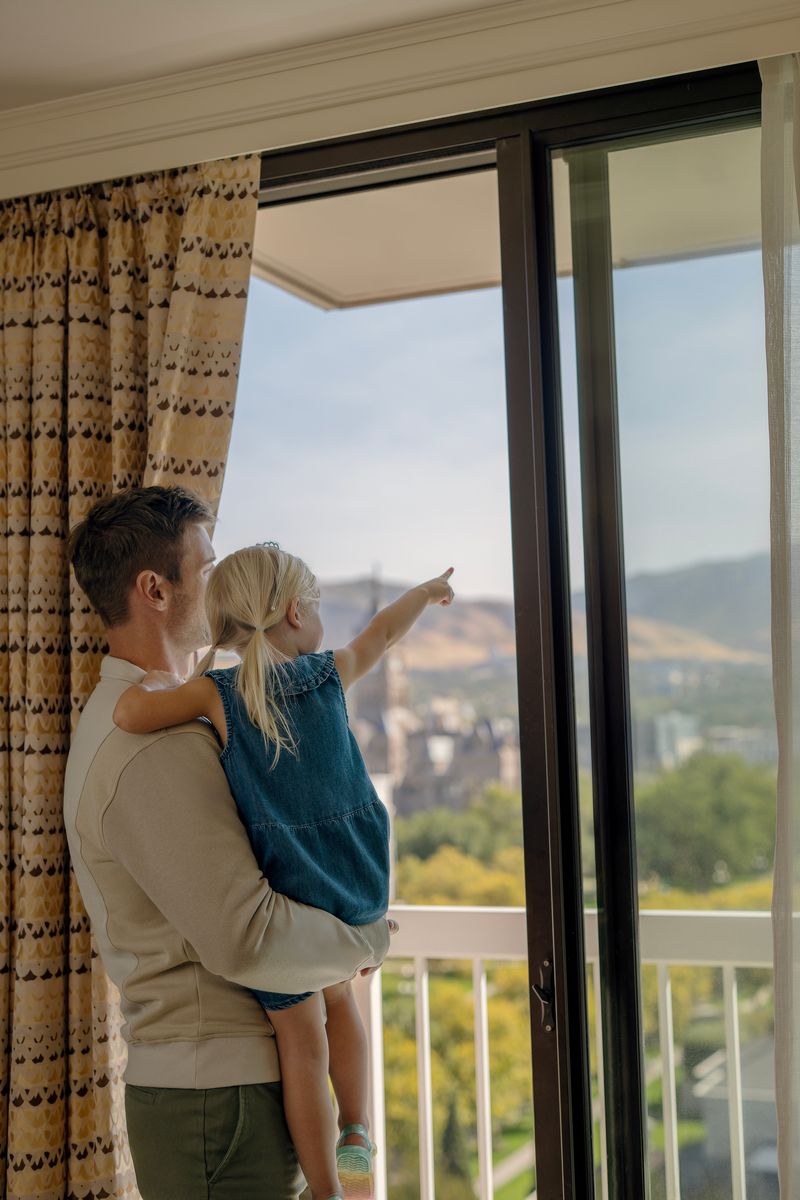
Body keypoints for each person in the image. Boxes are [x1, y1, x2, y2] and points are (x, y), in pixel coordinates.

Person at [64, 487, 394, 1200]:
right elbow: (246, 937)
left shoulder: (171, 714)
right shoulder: (147, 748)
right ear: (155, 589)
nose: (222, 584)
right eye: (207, 566)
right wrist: (364, 940)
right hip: (219, 1102)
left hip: (228, 1091)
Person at [113, 542, 455, 1200]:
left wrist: (161, 686)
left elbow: (128, 715)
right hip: (356, 881)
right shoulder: (330, 675)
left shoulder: (217, 695)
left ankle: (325, 1187)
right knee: (344, 1006)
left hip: (290, 897)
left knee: (301, 1044)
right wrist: (427, 592)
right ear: (297, 612)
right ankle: (356, 1127)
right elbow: (384, 628)